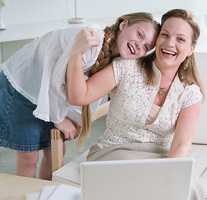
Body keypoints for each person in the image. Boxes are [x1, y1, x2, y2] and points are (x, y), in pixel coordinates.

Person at [0, 12, 159, 180]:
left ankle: (44, 191)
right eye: (139, 34)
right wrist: (60, 119)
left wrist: (71, 118)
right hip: (24, 85)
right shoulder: (93, 41)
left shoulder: (117, 58)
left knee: (56, 151)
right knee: (29, 157)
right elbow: (56, 78)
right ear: (124, 24)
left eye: (147, 46)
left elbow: (82, 88)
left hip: (47, 92)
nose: (139, 44)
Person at [66, 9, 205, 199]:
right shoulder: (126, 67)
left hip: (160, 158)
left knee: (191, 188)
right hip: (113, 152)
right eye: (165, 34)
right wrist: (76, 53)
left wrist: (170, 177)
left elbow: (180, 147)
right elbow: (79, 96)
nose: (170, 43)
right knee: (140, 183)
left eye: (180, 39)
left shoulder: (191, 93)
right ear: (157, 39)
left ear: (190, 49)